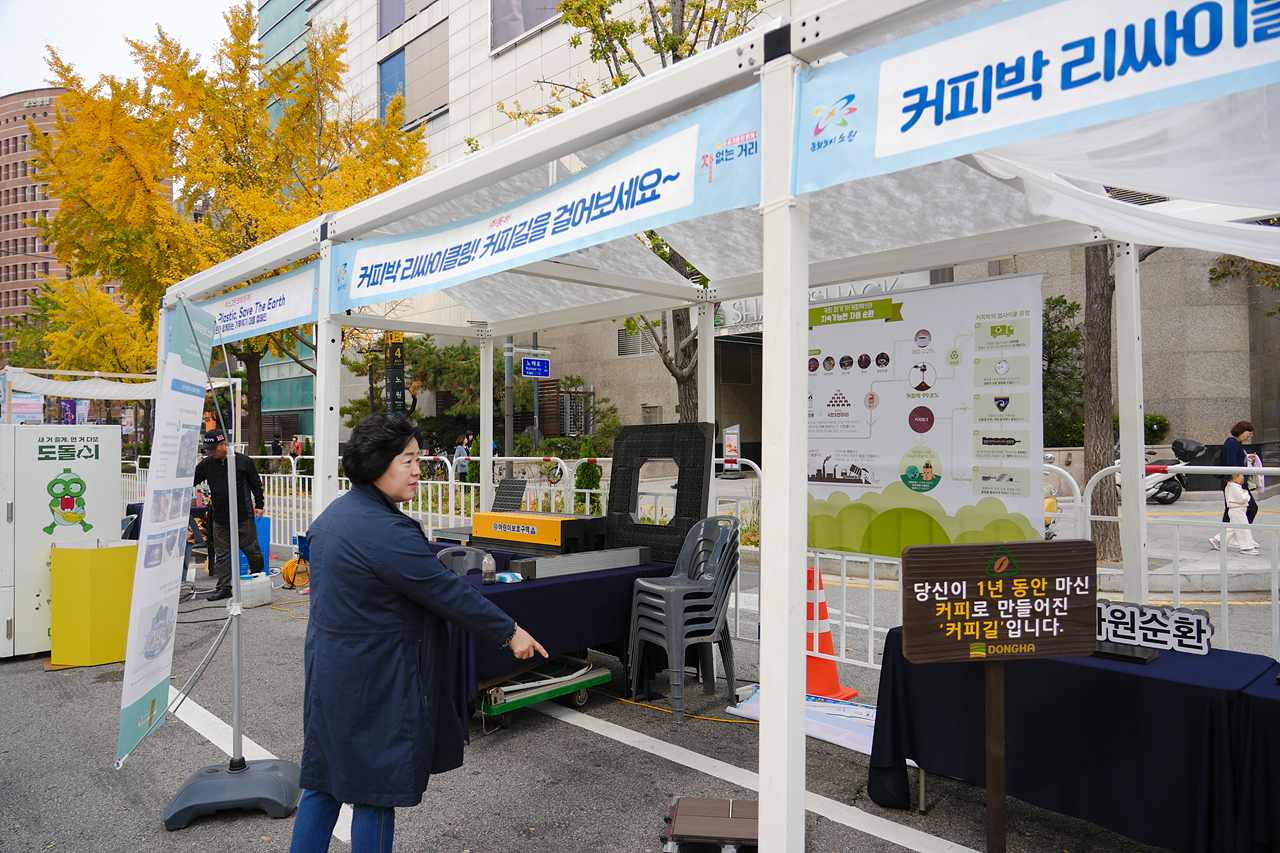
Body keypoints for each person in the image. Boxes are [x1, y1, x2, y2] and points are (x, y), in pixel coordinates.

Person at [291, 414, 547, 853]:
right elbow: (446, 591)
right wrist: (510, 631)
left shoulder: (335, 515)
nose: (417, 470)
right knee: (375, 793)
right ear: (377, 463)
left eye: (418, 459)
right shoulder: (384, 530)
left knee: (325, 782)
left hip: (331, 674)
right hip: (375, 680)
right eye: (407, 460)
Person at [192, 428, 265, 601]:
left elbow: (256, 484)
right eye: (208, 449)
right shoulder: (206, 464)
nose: (211, 451)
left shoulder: (243, 461)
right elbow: (191, 480)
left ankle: (256, 574)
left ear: (224, 444)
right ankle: (224, 587)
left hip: (243, 515)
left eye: (214, 448)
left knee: (252, 550)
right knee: (222, 553)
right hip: (220, 517)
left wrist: (260, 505)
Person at [1210, 420, 1259, 550]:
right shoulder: (1232, 443)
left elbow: (1234, 459)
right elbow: (1230, 462)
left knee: (1232, 511)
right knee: (1249, 508)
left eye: (1250, 435)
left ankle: (1224, 538)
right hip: (1234, 483)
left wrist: (1248, 457)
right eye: (1248, 434)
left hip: (1235, 482)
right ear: (1240, 431)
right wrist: (1239, 477)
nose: (1249, 437)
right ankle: (1227, 538)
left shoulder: (1235, 443)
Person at [1218, 474, 1260, 555]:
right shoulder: (1235, 488)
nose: (1243, 478)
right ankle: (1247, 547)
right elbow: (1242, 499)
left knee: (1234, 527)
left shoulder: (1230, 486)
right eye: (1241, 476)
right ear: (1235, 477)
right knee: (1243, 528)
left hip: (1235, 510)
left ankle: (1219, 540)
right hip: (1237, 510)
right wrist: (1246, 494)